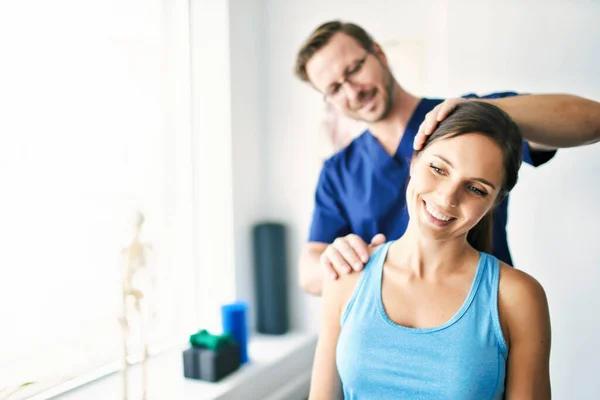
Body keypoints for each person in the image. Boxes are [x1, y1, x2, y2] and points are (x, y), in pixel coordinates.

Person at [294, 20, 600, 296]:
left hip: (485, 310)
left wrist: (481, 112)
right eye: (335, 88)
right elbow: (309, 272)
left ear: (379, 53)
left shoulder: (467, 120)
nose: (352, 91)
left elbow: (592, 120)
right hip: (393, 326)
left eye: (354, 70)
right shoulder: (339, 171)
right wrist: (336, 259)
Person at [308, 101, 551, 399]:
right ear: (413, 161)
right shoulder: (347, 276)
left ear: (494, 203)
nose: (447, 198)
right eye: (438, 168)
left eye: (476, 189)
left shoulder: (517, 297)